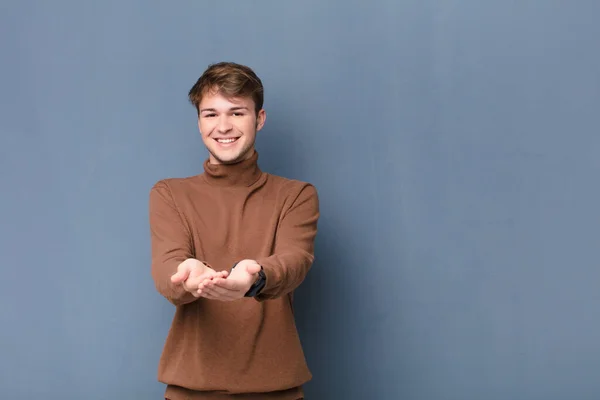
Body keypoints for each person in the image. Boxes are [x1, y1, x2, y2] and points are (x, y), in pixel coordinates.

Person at [148, 62, 320, 400]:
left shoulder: (296, 195)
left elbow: (294, 261)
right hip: (189, 391)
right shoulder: (169, 193)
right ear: (199, 122)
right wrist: (187, 276)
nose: (223, 126)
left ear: (259, 118)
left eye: (237, 113)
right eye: (210, 114)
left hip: (276, 391)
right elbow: (166, 266)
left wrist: (254, 278)